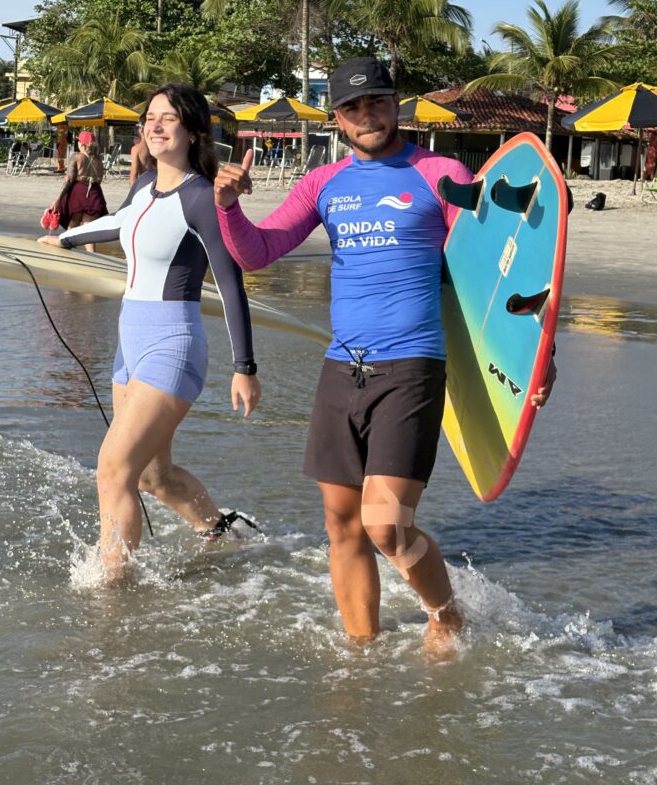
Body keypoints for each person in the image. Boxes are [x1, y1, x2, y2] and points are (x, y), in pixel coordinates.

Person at [214, 56, 556, 651]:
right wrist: (227, 207)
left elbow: (500, 269)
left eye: (376, 101)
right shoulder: (323, 183)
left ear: (395, 102)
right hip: (342, 367)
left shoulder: (440, 173)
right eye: (352, 107)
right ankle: (360, 655)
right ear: (338, 119)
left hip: (413, 365)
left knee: (387, 526)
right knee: (341, 526)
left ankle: (447, 615)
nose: (366, 115)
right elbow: (258, 253)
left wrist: (537, 355)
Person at [39, 83, 261, 582]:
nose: (155, 126)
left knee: (113, 468)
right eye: (149, 118)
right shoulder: (143, 187)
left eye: (168, 118)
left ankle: (113, 587)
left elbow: (229, 286)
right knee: (151, 474)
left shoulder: (202, 197)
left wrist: (244, 367)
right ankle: (223, 533)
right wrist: (64, 239)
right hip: (131, 344)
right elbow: (120, 222)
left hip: (173, 344)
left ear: (193, 130)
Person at [55, 130, 108, 252]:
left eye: (79, 141)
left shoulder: (76, 156)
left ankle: (67, 256)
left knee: (72, 228)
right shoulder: (99, 161)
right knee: (88, 230)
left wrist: (57, 200)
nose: (78, 143)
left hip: (78, 194)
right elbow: (99, 180)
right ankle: (93, 258)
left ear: (82, 145)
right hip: (95, 194)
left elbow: (69, 179)